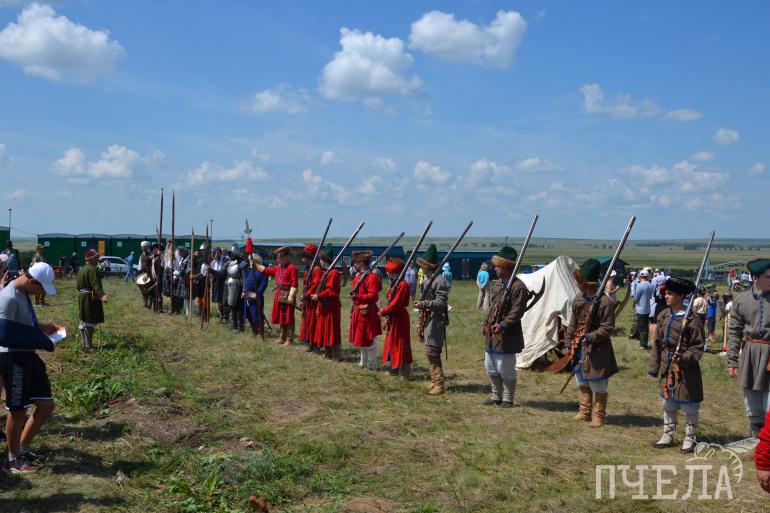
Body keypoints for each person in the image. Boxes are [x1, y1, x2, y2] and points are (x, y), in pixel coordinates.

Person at [0, 262, 62, 473]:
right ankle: (12, 459)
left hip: (28, 356)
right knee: (17, 411)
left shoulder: (23, 293)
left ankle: (22, 449)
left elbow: (22, 324)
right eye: (41, 288)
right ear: (32, 281)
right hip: (14, 358)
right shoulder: (8, 297)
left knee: (46, 406)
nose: (40, 294)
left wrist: (44, 328)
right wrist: (43, 341)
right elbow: (4, 334)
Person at [648, 277, 704, 453]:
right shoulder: (663, 315)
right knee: (668, 402)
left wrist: (684, 358)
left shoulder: (692, 319)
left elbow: (697, 347)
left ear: (680, 296)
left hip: (686, 369)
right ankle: (667, 434)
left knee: (689, 404)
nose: (666, 296)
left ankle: (690, 438)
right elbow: (657, 344)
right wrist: (654, 368)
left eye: (670, 293)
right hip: (667, 366)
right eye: (666, 293)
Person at [567, 258, 618, 428]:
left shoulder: (605, 302)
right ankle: (584, 411)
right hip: (578, 347)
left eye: (580, 282)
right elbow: (573, 323)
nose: (578, 285)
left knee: (598, 383)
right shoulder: (578, 299)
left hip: (597, 349)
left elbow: (607, 328)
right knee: (581, 380)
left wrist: (589, 337)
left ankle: (598, 415)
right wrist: (569, 341)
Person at [727, 258, 770, 437]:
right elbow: (734, 332)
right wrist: (732, 361)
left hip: (769, 354)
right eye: (768, 277)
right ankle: (755, 434)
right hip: (750, 353)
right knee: (751, 396)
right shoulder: (741, 300)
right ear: (755, 278)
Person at [481, 246, 529, 408]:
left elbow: (517, 312)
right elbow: (492, 307)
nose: (495, 269)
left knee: (505, 368)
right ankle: (496, 396)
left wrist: (503, 325)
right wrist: (486, 323)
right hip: (492, 334)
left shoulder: (518, 287)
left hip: (508, 334)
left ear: (507, 267)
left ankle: (508, 399)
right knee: (490, 366)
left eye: (498, 266)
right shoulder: (499, 284)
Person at [414, 244, 449, 396]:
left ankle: (439, 384)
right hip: (427, 318)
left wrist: (423, 304)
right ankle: (434, 380)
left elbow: (441, 303)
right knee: (429, 350)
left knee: (433, 351)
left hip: (435, 319)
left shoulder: (439, 281)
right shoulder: (427, 279)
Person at [379, 258, 413, 379]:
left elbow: (396, 304)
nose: (387, 273)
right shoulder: (395, 283)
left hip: (399, 319)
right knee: (391, 343)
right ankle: (394, 369)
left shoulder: (403, 285)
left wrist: (383, 312)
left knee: (401, 344)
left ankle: (405, 373)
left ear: (394, 272)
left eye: (389, 271)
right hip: (393, 317)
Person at [349, 250, 382, 370]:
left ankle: (371, 364)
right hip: (359, 311)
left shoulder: (372, 278)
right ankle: (363, 361)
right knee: (361, 338)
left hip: (369, 312)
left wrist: (358, 297)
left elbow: (373, 295)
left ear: (362, 263)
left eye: (357, 262)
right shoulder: (357, 278)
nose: (355, 264)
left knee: (370, 339)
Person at [259, 247, 298, 346]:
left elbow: (294, 283)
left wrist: (291, 296)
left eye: (279, 257)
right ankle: (282, 337)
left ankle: (289, 339)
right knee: (281, 316)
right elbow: (267, 271)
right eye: (277, 257)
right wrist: (256, 265)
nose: (277, 259)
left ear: (285, 257)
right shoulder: (278, 267)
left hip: (287, 294)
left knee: (288, 317)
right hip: (279, 294)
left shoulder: (292, 268)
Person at [312, 244, 342, 361]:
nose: (319, 261)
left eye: (321, 259)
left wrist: (318, 296)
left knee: (332, 330)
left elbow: (331, 291)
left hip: (331, 306)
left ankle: (336, 355)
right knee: (325, 329)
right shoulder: (327, 272)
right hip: (325, 305)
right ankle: (327, 352)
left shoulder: (333, 273)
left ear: (324, 260)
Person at [76, 249, 109, 352]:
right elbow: (95, 284)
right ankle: (88, 346)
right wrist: (102, 295)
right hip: (90, 297)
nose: (98, 259)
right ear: (92, 259)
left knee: (84, 320)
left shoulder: (82, 269)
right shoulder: (92, 269)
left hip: (82, 296)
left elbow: (77, 287)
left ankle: (84, 344)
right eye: (97, 257)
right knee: (90, 321)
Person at [243, 253, 268, 339]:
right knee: (249, 315)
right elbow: (247, 283)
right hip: (248, 297)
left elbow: (263, 284)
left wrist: (257, 294)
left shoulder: (262, 272)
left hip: (256, 298)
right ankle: (255, 332)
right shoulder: (251, 271)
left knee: (257, 316)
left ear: (256, 262)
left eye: (251, 261)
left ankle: (260, 334)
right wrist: (244, 291)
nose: (250, 262)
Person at [633, 270, 653, 349]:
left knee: (642, 327)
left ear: (640, 276)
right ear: (647, 276)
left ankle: (643, 345)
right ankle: (643, 342)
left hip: (641, 309)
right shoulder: (650, 285)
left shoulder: (640, 285)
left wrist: (634, 303)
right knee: (645, 326)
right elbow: (650, 296)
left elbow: (636, 298)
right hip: (647, 308)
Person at [209, 247, 227, 322]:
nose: (217, 254)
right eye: (215, 253)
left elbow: (221, 274)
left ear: (220, 253)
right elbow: (211, 275)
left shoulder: (225, 261)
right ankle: (221, 314)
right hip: (215, 283)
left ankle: (225, 316)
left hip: (223, 283)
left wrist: (211, 270)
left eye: (218, 253)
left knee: (223, 300)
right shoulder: (212, 263)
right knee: (218, 300)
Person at [138, 242, 153, 309]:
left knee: (149, 290)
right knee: (143, 290)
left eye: (144, 247)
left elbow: (152, 266)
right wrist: (139, 274)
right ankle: (145, 304)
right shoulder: (141, 255)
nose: (143, 248)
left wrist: (148, 273)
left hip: (149, 274)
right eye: (142, 247)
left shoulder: (151, 255)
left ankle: (149, 305)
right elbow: (139, 266)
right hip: (142, 274)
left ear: (147, 247)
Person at [150, 243, 164, 313]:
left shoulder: (161, 257)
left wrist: (159, 256)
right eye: (154, 249)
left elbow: (162, 267)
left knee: (159, 293)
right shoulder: (153, 257)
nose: (155, 250)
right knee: (154, 293)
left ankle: (160, 308)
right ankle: (155, 307)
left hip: (159, 277)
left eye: (157, 249)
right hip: (153, 277)